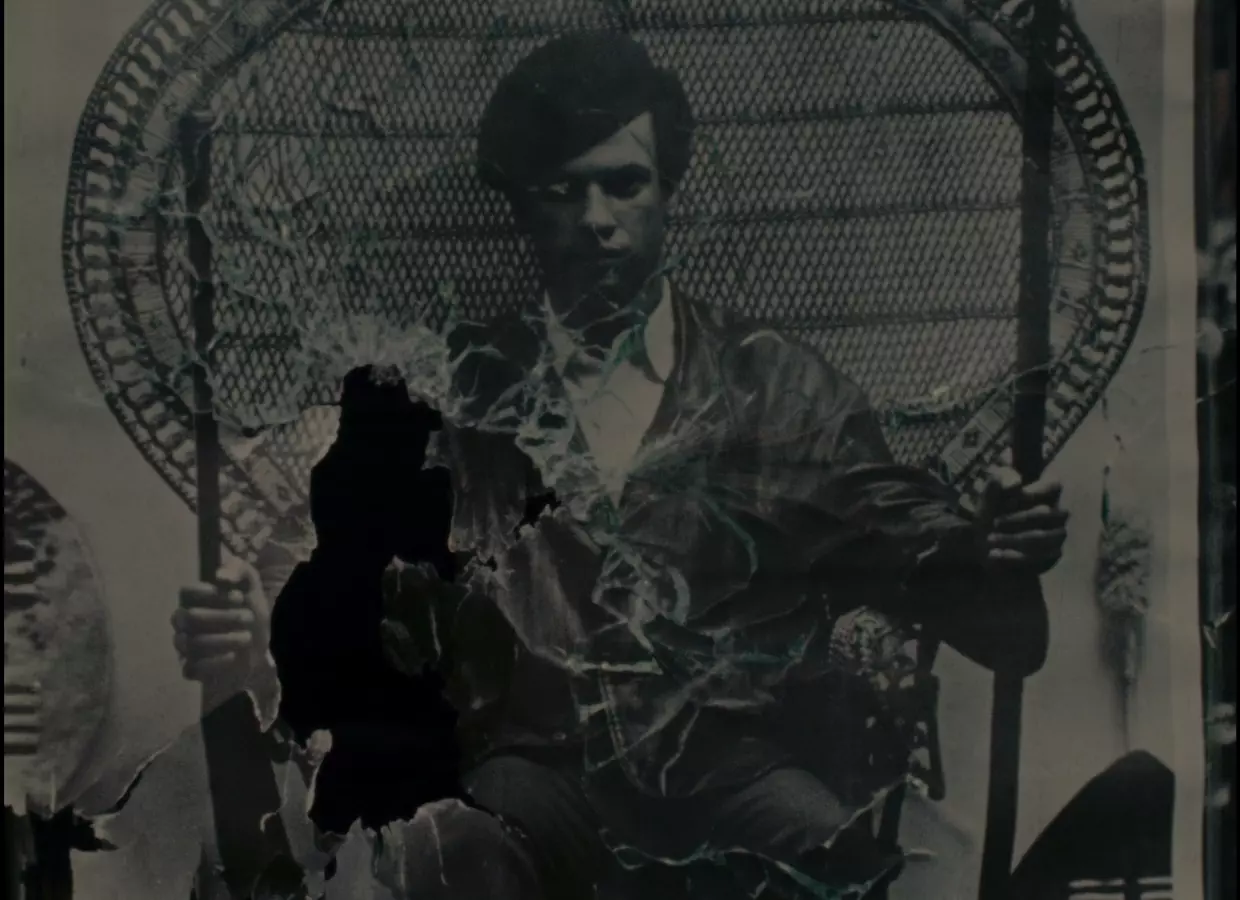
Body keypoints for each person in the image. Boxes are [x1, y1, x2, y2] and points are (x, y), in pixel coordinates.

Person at [172, 32, 1070, 900]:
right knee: (454, 852)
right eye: (564, 191)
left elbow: (967, 602)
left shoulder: (779, 388)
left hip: (732, 768)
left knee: (833, 855)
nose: (597, 219)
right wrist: (253, 646)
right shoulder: (452, 396)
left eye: (624, 183)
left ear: (668, 190)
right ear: (523, 207)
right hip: (534, 774)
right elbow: (341, 598)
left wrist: (988, 554)